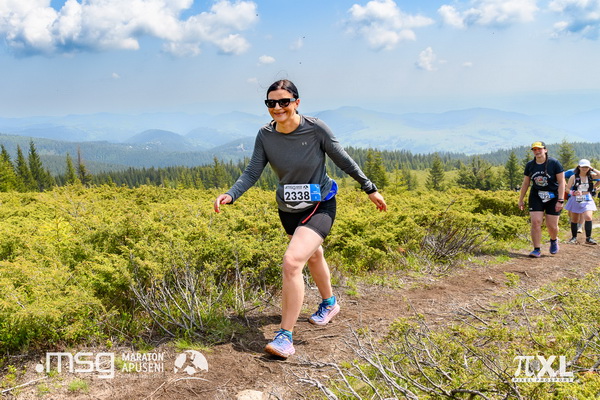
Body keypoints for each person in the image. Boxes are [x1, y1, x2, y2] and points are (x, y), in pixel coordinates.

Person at [213, 80, 387, 359]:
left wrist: (370, 188)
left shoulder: (316, 129)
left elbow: (343, 159)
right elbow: (252, 171)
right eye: (271, 103)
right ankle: (329, 304)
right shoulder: (265, 135)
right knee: (313, 254)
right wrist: (231, 194)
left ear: (296, 102)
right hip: (288, 209)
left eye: (284, 101)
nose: (278, 107)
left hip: (320, 205)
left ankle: (285, 336)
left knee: (292, 262)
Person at [518, 141, 565, 258]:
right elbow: (525, 183)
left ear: (545, 150)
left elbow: (561, 182)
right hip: (536, 196)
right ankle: (536, 249)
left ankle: (553, 240)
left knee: (552, 226)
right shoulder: (530, 165)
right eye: (534, 149)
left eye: (539, 149)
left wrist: (560, 200)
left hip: (553, 196)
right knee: (536, 222)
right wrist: (521, 199)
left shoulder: (554, 163)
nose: (537, 151)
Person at [564, 159, 598, 245]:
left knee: (588, 217)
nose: (584, 168)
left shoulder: (591, 176)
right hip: (576, 198)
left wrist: (593, 169)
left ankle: (588, 238)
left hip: (587, 198)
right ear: (579, 167)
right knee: (575, 219)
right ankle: (574, 237)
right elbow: (567, 189)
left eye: (586, 167)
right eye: (583, 167)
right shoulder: (573, 177)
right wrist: (573, 192)